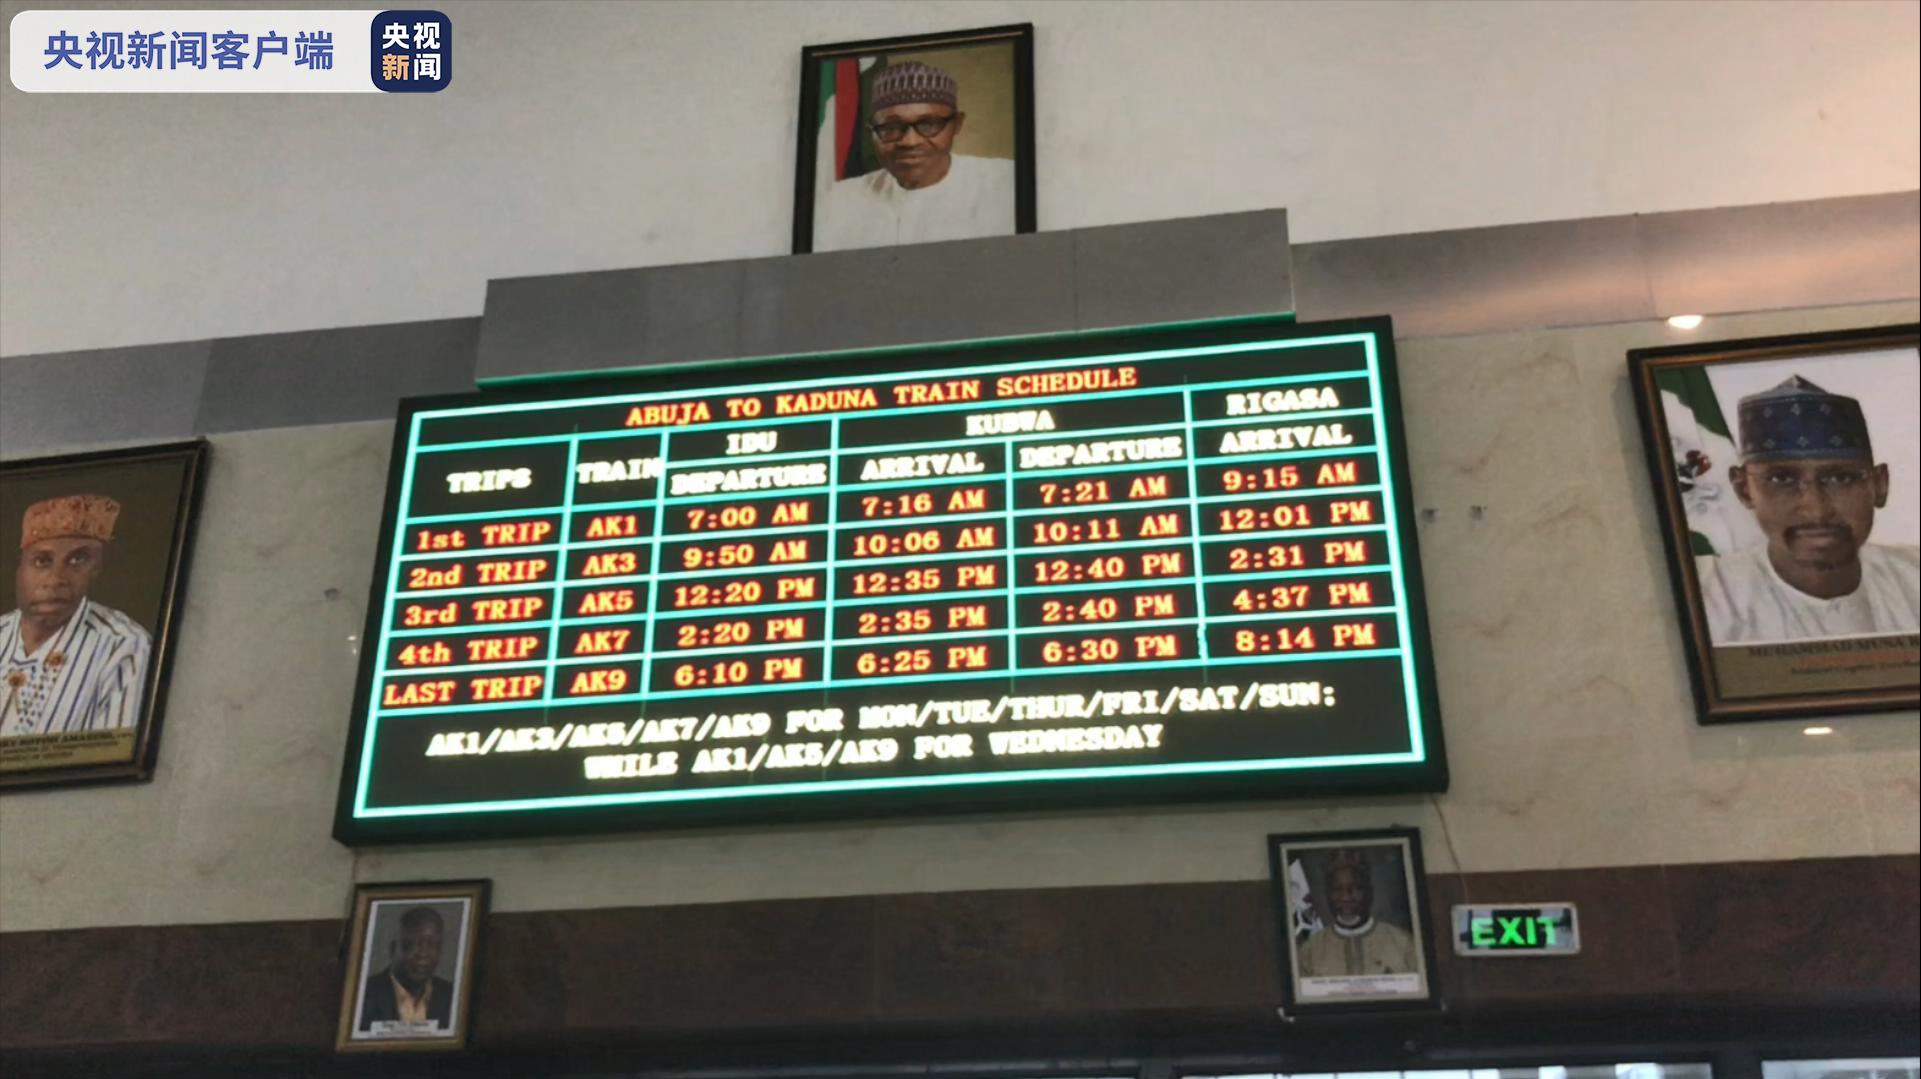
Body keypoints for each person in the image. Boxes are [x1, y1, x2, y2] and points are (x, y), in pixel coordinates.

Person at [1696, 376, 1921, 644]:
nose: (1816, 511)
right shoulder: (1706, 596)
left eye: (1841, 478)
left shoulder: (1913, 576)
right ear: (1744, 490)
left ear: (1879, 485)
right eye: (1781, 479)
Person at [813, 60, 1016, 252]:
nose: (910, 142)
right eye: (891, 127)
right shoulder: (841, 199)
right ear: (871, 131)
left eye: (928, 124)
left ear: (957, 124)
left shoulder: (1006, 182)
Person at [0, 494, 152, 737]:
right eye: (41, 561)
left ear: (97, 570)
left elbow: (114, 759)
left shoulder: (125, 648)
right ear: (18, 570)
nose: (56, 579)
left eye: (77, 560)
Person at [1296, 850, 1419, 979]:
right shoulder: (1309, 950)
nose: (1346, 898)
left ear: (1369, 893)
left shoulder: (1402, 942)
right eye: (1337, 890)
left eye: (1355, 888)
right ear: (1327, 896)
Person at [359, 906, 455, 1032]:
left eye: (432, 945)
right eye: (411, 944)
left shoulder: (453, 997)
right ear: (393, 949)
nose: (422, 954)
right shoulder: (363, 995)